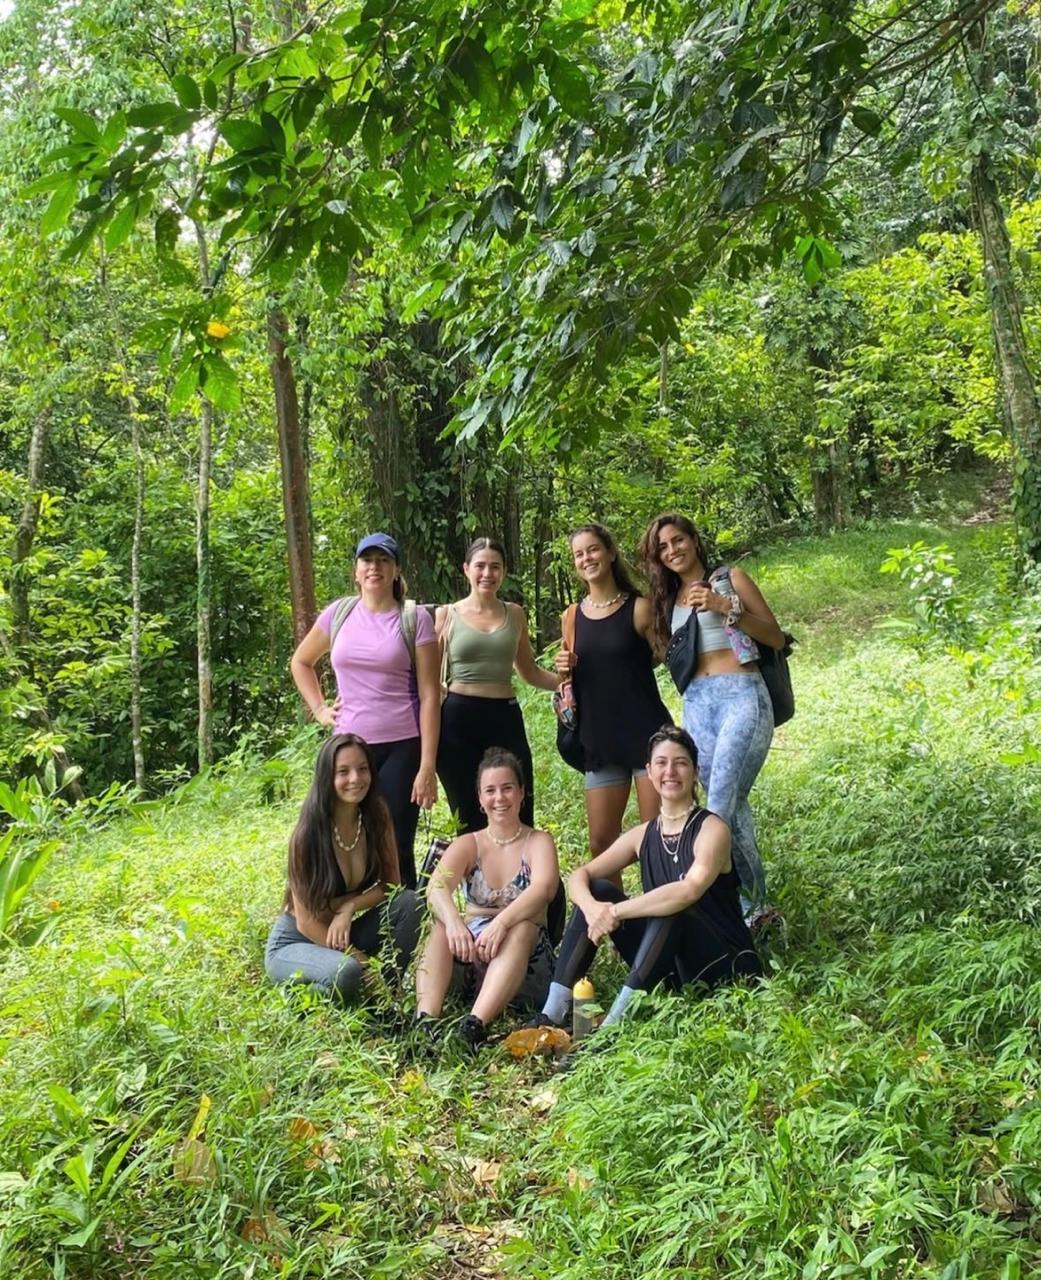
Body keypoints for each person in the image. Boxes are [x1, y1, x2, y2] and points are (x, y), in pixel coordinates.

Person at [528, 726, 761, 1035]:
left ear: (694, 771)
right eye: (661, 763)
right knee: (598, 889)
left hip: (722, 962)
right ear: (650, 772)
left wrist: (615, 912)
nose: (670, 771)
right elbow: (579, 876)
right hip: (666, 962)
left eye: (680, 762)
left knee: (672, 907)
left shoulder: (712, 829)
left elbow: (688, 889)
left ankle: (611, 1029)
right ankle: (552, 1014)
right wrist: (594, 908)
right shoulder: (642, 835)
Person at [640, 513, 784, 912]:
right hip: (697, 704)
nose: (673, 551)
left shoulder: (730, 578)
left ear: (694, 540)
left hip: (742, 694)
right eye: (663, 547)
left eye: (678, 540)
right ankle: (751, 904)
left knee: (719, 802)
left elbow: (774, 636)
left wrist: (725, 606)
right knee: (729, 806)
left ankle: (727, 902)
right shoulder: (667, 602)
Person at [290, 532, 439, 888]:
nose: (375, 568)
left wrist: (427, 766)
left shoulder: (415, 619)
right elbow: (301, 662)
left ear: (396, 570)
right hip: (348, 748)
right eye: (367, 561)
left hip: (403, 745)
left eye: (384, 560)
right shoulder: (338, 615)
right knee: (342, 832)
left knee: (395, 839)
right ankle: (346, 912)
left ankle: (401, 923)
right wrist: (320, 709)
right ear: (356, 571)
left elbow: (430, 694)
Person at [415, 748, 560, 1052]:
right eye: (490, 791)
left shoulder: (539, 842)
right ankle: (424, 1022)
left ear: (522, 793)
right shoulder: (469, 843)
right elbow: (436, 889)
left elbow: (544, 888)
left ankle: (473, 1026)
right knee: (441, 925)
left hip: (525, 963)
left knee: (523, 926)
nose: (500, 798)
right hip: (471, 956)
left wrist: (502, 922)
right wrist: (455, 923)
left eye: (507, 788)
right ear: (480, 799)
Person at [265, 733, 420, 1001]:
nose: (355, 779)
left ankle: (384, 994)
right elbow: (306, 922)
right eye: (343, 772)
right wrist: (360, 959)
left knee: (410, 903)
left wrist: (349, 908)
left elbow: (392, 886)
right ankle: (307, 994)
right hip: (297, 941)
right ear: (327, 777)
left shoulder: (376, 815)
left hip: (342, 932)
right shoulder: (307, 835)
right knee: (348, 971)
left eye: (362, 769)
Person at [555, 523, 672, 860]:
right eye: (579, 554)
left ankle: (661, 912)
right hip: (599, 739)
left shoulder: (639, 608)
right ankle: (613, 913)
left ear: (609, 553)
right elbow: (568, 679)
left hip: (648, 736)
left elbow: (666, 657)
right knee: (601, 845)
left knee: (658, 839)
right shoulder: (572, 616)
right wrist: (563, 667)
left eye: (592, 549)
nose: (586, 558)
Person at [436, 536, 560, 834]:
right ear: (466, 569)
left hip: (505, 717)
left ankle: (525, 877)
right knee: (468, 814)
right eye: (480, 566)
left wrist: (568, 684)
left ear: (503, 571)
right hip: (457, 720)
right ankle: (476, 879)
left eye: (495, 567)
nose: (487, 574)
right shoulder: (446, 614)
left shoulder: (514, 614)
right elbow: (430, 681)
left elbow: (529, 672)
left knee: (520, 803)